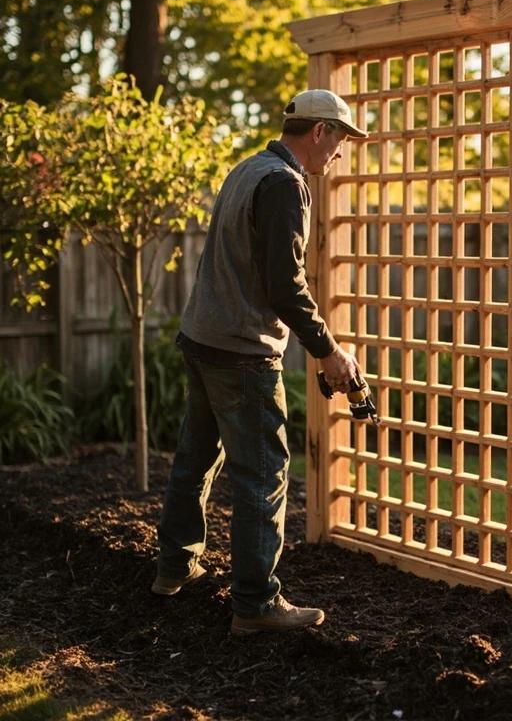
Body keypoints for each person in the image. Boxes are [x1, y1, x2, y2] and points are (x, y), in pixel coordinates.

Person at [152, 89, 365, 634]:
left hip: (202, 337)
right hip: (242, 353)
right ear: (318, 132)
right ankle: (254, 605)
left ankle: (173, 569)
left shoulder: (248, 168)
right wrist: (328, 351)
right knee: (262, 476)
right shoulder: (284, 185)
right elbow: (285, 287)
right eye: (340, 140)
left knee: (195, 457)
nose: (340, 153)